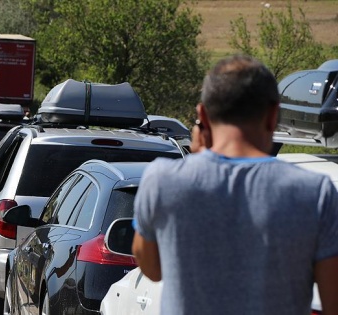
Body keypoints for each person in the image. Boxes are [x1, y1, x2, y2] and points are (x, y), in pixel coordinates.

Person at [131, 55, 338, 315]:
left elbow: (152, 269)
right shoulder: (316, 194)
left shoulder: (161, 180)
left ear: (202, 114)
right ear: (274, 115)